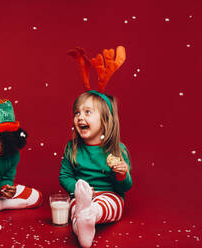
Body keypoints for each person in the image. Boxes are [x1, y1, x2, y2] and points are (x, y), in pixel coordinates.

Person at [60, 46, 132, 247]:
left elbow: (125, 187)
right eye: (77, 113)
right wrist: (77, 189)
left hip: (110, 195)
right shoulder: (72, 147)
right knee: (74, 209)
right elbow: (64, 176)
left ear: (105, 121)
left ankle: (91, 215)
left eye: (87, 112)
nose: (80, 117)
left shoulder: (117, 149)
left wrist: (121, 173)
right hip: (82, 194)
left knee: (108, 206)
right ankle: (83, 224)